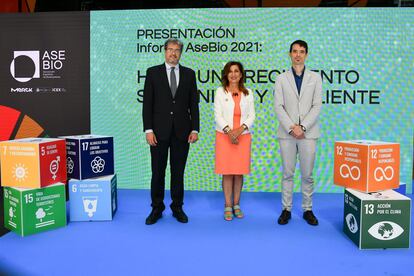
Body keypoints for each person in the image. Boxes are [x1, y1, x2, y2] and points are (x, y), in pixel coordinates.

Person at [142, 38, 199, 225]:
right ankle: (156, 208)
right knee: (157, 172)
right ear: (164, 51)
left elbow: (193, 105)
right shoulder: (152, 73)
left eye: (177, 50)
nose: (173, 53)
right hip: (158, 133)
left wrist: (195, 128)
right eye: (170, 50)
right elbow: (147, 105)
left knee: (178, 172)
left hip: (182, 132)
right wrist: (148, 130)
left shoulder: (190, 74)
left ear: (181, 53)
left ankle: (177, 207)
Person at [273, 40, 322, 226]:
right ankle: (286, 209)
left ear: (306, 54)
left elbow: (317, 105)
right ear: (289, 54)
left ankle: (307, 209)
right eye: (294, 51)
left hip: (308, 134)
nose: (298, 55)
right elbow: (278, 106)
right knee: (287, 173)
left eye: (301, 51)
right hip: (287, 133)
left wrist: (303, 127)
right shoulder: (281, 78)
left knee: (307, 174)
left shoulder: (315, 78)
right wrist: (292, 127)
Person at [214, 61, 255, 221]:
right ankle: (227, 205)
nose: (233, 74)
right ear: (226, 74)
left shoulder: (248, 93)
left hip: (243, 137)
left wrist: (239, 130)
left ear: (241, 74)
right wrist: (229, 132)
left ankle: (236, 204)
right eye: (230, 71)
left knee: (238, 173)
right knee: (227, 172)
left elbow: (252, 115)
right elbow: (218, 115)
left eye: (236, 71)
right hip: (224, 137)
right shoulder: (220, 92)